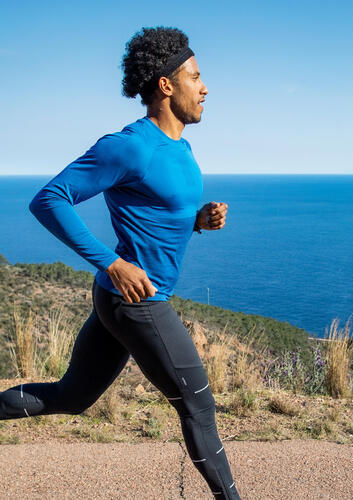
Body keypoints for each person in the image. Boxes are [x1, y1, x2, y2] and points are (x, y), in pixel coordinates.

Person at [0, 26, 242, 499]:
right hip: (138, 301)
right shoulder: (130, 145)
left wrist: (199, 220)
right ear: (167, 86)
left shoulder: (181, 147)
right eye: (196, 77)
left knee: (72, 397)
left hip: (120, 298)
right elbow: (50, 199)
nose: (206, 87)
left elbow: (156, 212)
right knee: (198, 407)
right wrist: (112, 263)